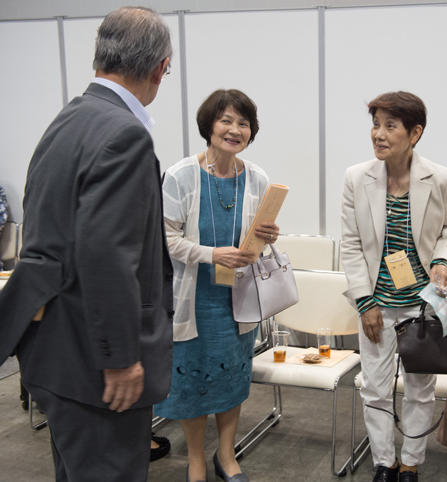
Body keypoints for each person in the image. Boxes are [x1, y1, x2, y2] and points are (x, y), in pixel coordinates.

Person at [0, 7, 173, 481]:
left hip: (55, 349)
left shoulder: (69, 118)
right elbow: (107, 255)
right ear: (160, 68)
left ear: (100, 54)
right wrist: (120, 358)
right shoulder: (125, 134)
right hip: (93, 364)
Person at [154, 89, 279, 482]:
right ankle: (195, 459)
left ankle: (225, 455)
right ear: (209, 125)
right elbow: (165, 239)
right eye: (226, 120)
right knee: (190, 381)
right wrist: (211, 254)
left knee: (231, 378)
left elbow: (254, 242)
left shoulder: (257, 178)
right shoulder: (180, 176)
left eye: (243, 123)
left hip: (237, 299)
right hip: (191, 299)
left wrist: (267, 237)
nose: (234, 130)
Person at [340, 91, 447, 482]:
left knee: (419, 389)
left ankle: (410, 463)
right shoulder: (356, 178)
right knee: (375, 388)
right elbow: (351, 245)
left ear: (415, 133)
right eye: (375, 124)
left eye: (390, 126)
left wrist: (442, 261)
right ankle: (384, 462)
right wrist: (364, 302)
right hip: (375, 305)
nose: (378, 134)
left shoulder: (440, 178)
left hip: (422, 304)